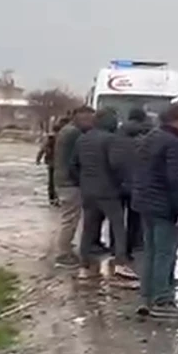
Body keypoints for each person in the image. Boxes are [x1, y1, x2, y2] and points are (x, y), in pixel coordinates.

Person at [132, 102, 178, 318]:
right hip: (164, 204)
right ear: (176, 120)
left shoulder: (151, 137)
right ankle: (162, 299)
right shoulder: (175, 143)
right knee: (165, 253)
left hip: (145, 202)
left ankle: (147, 295)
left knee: (151, 251)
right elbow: (174, 179)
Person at [70, 109, 139, 284]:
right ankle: (121, 263)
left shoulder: (82, 139)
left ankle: (84, 265)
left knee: (89, 227)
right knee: (118, 226)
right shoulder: (111, 139)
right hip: (108, 191)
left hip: (88, 190)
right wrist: (121, 183)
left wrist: (82, 181)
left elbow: (73, 165)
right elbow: (117, 165)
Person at [51, 106, 94, 266]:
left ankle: (66, 247)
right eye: (86, 119)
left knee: (69, 218)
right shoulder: (73, 133)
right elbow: (75, 161)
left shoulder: (67, 130)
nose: (90, 123)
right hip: (69, 182)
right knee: (70, 219)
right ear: (76, 117)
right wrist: (80, 180)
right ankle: (63, 254)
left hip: (62, 180)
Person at [109, 106, 151, 261]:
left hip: (117, 183)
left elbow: (112, 161)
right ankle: (132, 247)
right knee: (135, 218)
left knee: (117, 218)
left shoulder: (115, 136)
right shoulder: (146, 138)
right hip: (137, 184)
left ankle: (116, 247)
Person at [36, 116, 68, 207]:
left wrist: (38, 159)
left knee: (52, 182)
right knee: (57, 182)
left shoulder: (52, 137)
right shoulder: (59, 137)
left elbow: (43, 148)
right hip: (58, 163)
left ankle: (53, 199)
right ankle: (56, 199)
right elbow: (44, 148)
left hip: (53, 163)